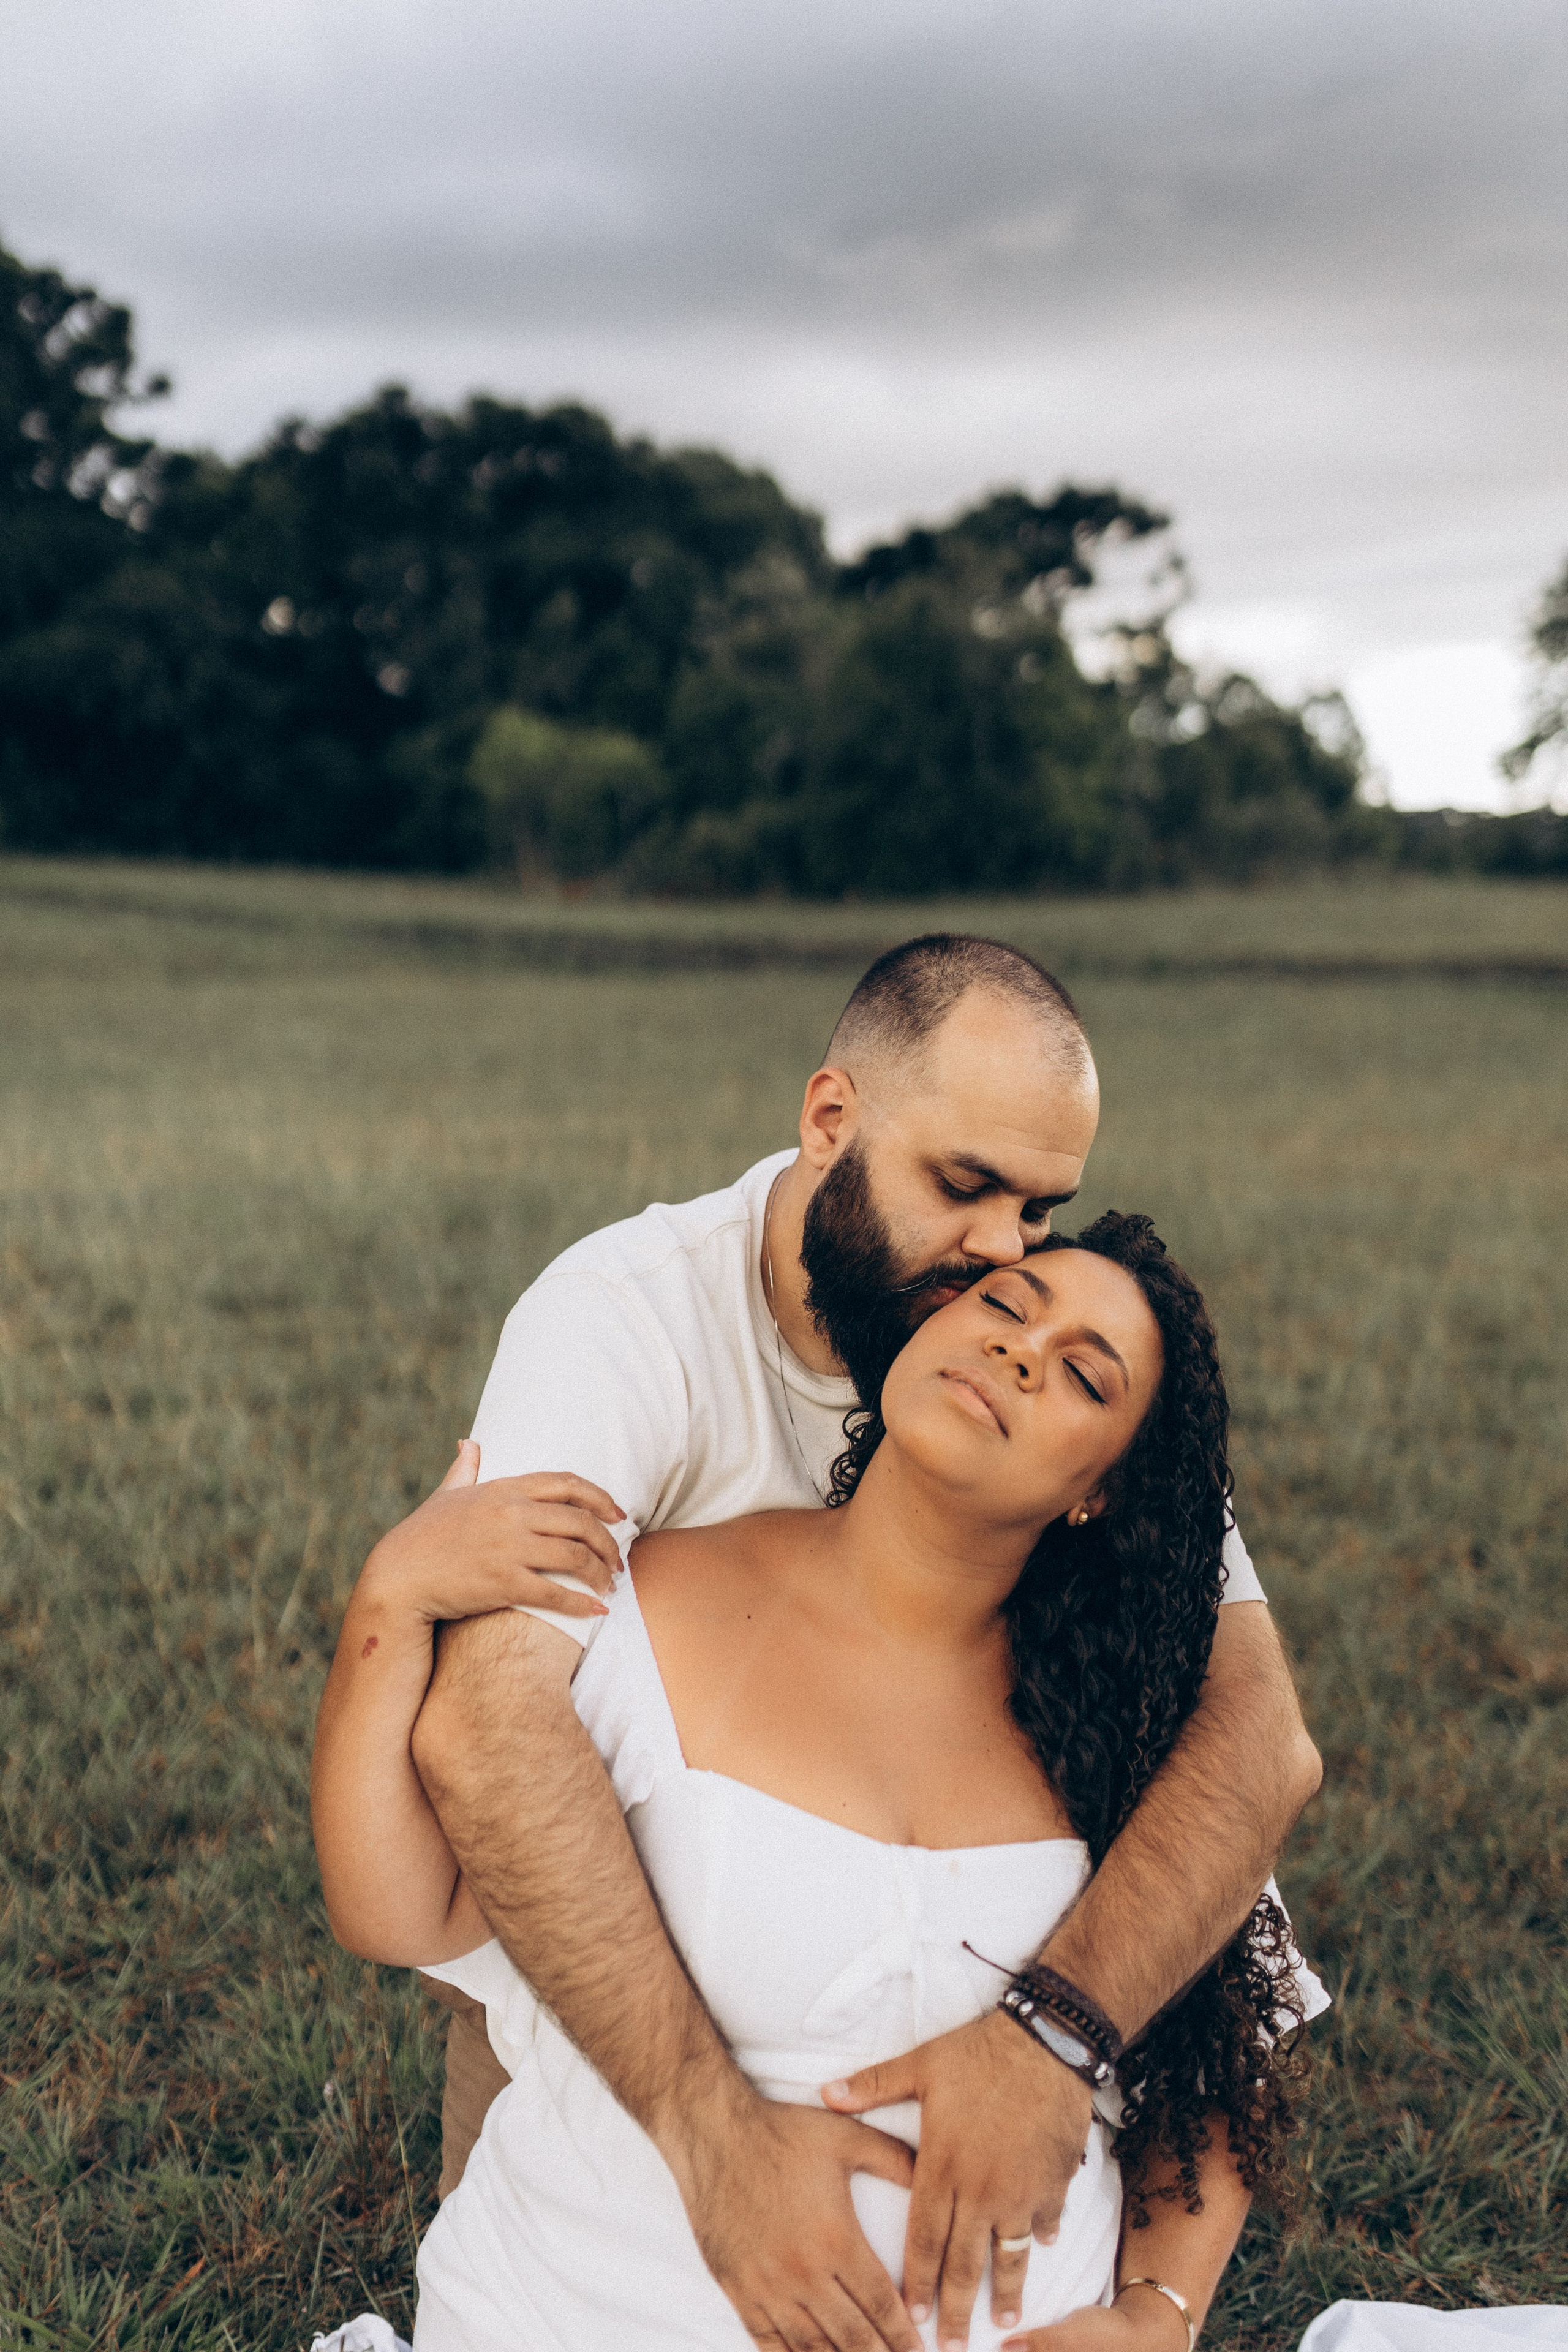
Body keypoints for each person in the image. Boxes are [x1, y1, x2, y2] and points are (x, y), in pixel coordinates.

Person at [312, 935, 1322, 2351]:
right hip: (610, 1979)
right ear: (830, 1121)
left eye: (1038, 1210)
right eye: (963, 1188)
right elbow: (489, 1733)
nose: (1001, 1259)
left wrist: (1060, 2049)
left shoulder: (1064, 1389)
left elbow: (1249, 1747)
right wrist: (715, 2150)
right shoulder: (628, 1319)